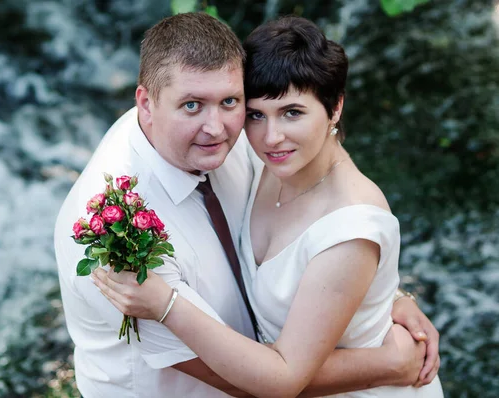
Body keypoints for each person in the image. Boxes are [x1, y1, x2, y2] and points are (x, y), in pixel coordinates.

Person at [55, 12, 439, 397]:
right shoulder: (110, 230)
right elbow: (242, 379)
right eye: (192, 105)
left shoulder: (249, 137)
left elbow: (332, 234)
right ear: (147, 103)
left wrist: (382, 295)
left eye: (230, 102)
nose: (217, 128)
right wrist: (388, 363)